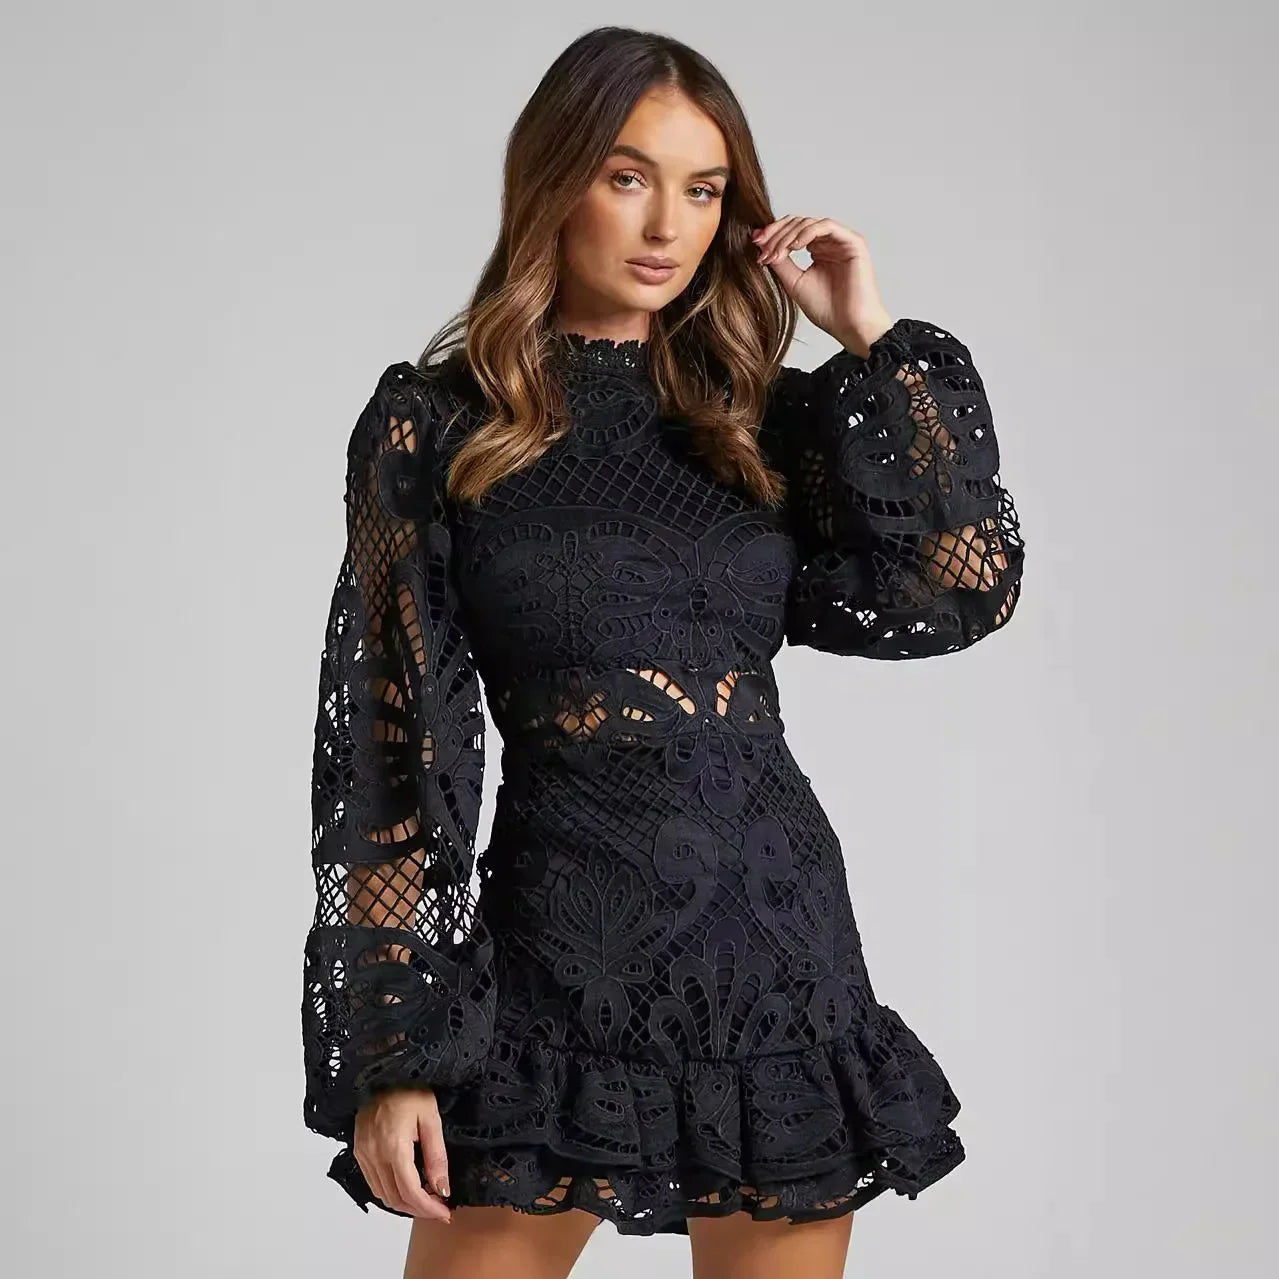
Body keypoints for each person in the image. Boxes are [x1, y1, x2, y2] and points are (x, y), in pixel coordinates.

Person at [301, 24, 1024, 1279]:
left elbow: (959, 588)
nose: (665, 225)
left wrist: (871, 339)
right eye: (628, 177)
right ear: (553, 180)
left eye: (702, 191)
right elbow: (389, 744)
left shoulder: (755, 417)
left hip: (778, 954)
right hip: (550, 958)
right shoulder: (439, 424)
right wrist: (396, 1046)